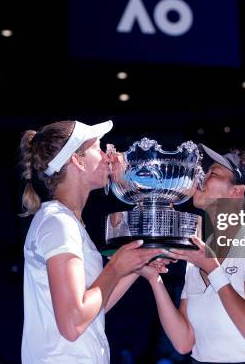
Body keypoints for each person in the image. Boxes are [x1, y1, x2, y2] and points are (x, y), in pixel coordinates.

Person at [19, 120, 166, 363]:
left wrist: (133, 268)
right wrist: (116, 266)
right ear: (77, 160)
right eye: (98, 149)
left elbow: (92, 311)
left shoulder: (67, 223)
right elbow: (73, 323)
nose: (108, 156)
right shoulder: (58, 223)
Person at [140, 144, 245, 363]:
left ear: (236, 192)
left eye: (212, 173)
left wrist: (212, 268)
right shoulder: (199, 250)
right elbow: (183, 342)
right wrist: (154, 279)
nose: (200, 178)